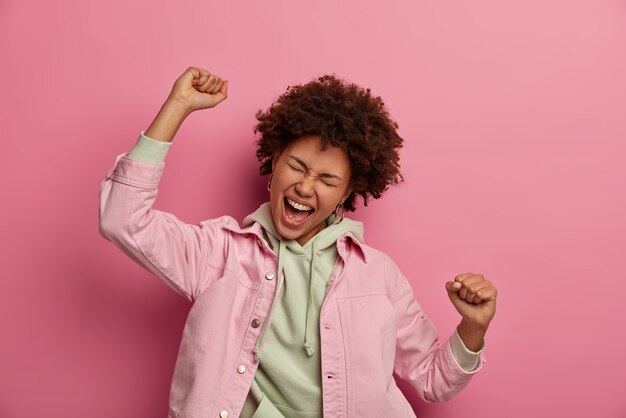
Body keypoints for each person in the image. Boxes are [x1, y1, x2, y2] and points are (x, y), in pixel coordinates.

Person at [99, 66, 497, 418]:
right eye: (297, 167)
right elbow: (123, 219)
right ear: (273, 163)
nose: (305, 187)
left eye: (326, 180)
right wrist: (178, 106)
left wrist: (472, 328)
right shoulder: (219, 252)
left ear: (346, 194)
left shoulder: (378, 275)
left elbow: (434, 381)